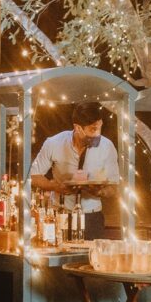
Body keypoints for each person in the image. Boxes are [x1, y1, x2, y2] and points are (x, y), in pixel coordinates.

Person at [29, 101, 119, 239]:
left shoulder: (107, 146)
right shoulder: (54, 143)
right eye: (93, 129)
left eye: (100, 127)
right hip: (61, 214)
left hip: (92, 217)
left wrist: (99, 191)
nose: (98, 134)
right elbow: (33, 176)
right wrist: (56, 187)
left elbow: (114, 187)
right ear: (78, 128)